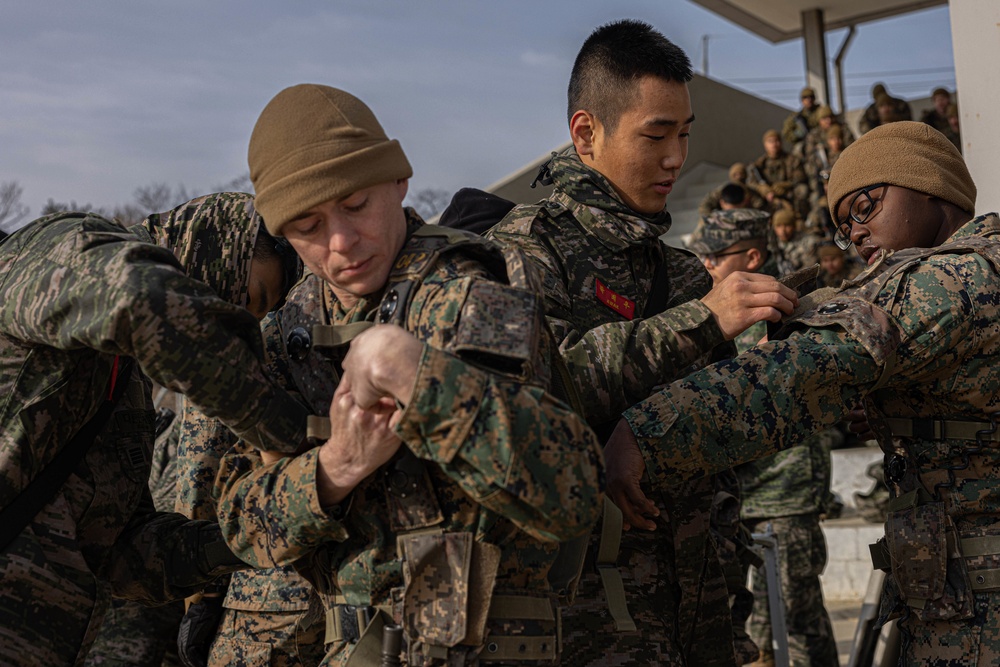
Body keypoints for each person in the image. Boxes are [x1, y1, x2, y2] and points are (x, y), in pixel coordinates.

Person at [213, 83, 604, 666]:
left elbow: (569, 492)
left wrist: (421, 380)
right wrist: (334, 468)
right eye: (308, 224)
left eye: (355, 204)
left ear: (398, 181)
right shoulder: (282, 336)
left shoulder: (470, 294)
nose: (341, 242)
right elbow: (241, 524)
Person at [606, 121, 1000, 665]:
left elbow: (795, 376)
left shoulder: (947, 281)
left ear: (930, 186)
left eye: (865, 206)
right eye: (844, 226)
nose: (856, 233)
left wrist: (642, 435)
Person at [487, 19, 798, 666]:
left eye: (685, 134)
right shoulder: (522, 251)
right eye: (655, 135)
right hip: (585, 619)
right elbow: (537, 395)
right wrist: (701, 322)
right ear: (586, 133)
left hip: (697, 607)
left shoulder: (680, 271)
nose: (676, 158)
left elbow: (723, 441)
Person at [0, 191, 307, 665]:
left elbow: (122, 552)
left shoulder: (128, 386)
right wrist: (289, 439)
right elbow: (139, 299)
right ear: (216, 251)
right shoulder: (62, 246)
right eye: (248, 300)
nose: (243, 322)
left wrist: (260, 530)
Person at [689, 208, 840, 667]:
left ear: (752, 255)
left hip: (784, 493)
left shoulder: (787, 311)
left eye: (717, 255)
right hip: (737, 495)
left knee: (797, 618)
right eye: (704, 254)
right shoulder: (713, 313)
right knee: (747, 629)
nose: (707, 264)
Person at [748, 129, 810, 219]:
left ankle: (799, 217)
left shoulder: (791, 160)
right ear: (765, 145)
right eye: (770, 141)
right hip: (769, 196)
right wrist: (762, 189)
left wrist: (784, 185)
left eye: (776, 141)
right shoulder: (760, 164)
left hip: (788, 193)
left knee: (802, 190)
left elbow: (800, 177)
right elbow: (751, 182)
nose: (774, 144)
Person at [699, 163, 768, 218]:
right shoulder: (722, 190)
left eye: (741, 174)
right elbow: (706, 204)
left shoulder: (749, 191)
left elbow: (759, 205)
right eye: (735, 175)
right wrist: (712, 218)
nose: (739, 177)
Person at [771, 207, 819, 272]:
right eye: (779, 226)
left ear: (794, 227)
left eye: (787, 225)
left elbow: (809, 269)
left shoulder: (807, 242)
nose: (783, 231)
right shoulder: (772, 244)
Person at [781, 86, 820, 157]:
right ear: (802, 100)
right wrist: (797, 134)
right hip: (804, 143)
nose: (809, 100)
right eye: (805, 97)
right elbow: (786, 134)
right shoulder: (797, 117)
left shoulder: (821, 112)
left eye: (811, 97)